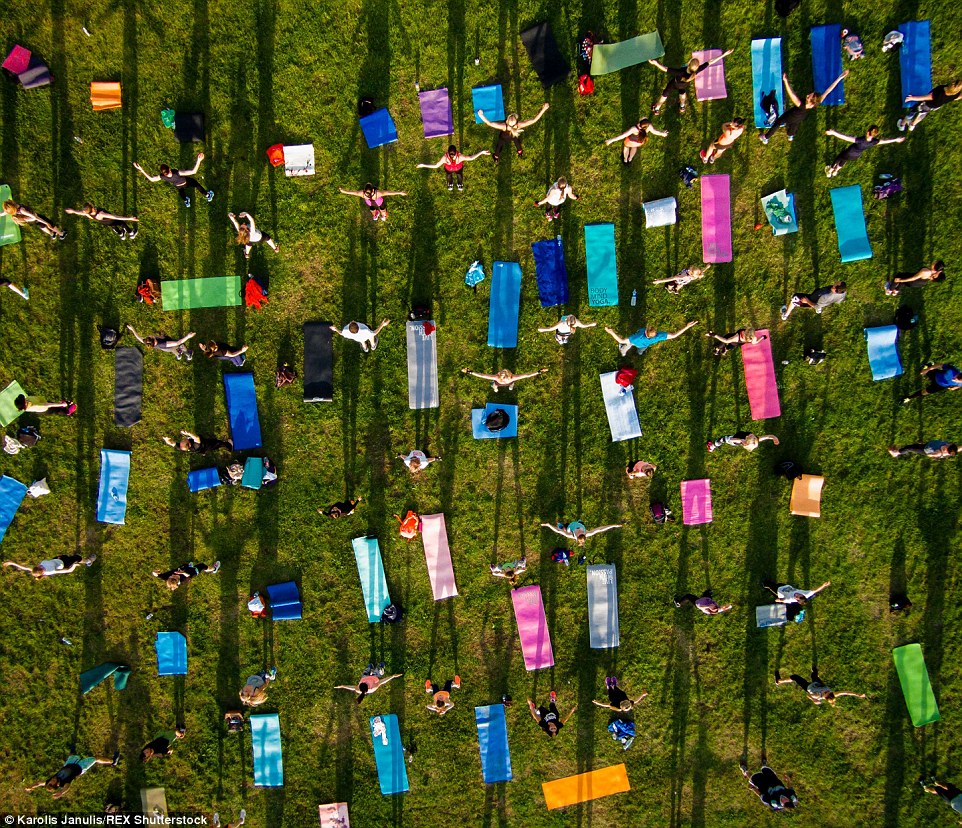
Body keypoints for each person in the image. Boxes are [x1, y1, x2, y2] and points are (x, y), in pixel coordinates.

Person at [759, 71, 848, 145]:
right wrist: (840, 77)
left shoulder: (801, 104)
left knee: (778, 122)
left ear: (811, 101)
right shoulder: (816, 103)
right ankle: (790, 135)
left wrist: (786, 81)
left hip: (791, 115)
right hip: (800, 117)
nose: (808, 95)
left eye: (810, 96)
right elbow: (828, 90)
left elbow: (792, 94)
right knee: (794, 125)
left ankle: (766, 138)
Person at [648, 50, 733, 115]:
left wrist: (655, 63)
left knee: (665, 93)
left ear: (689, 64)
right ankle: (682, 107)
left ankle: (657, 108)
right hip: (684, 85)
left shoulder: (681, 72)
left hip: (674, 83)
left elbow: (665, 69)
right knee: (682, 93)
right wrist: (724, 54)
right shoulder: (696, 71)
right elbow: (710, 62)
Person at [133, 152, 214, 207]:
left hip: (178, 185)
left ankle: (186, 201)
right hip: (186, 182)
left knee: (181, 192)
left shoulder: (162, 176)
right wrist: (198, 161)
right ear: (170, 168)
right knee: (196, 184)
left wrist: (141, 169)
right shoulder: (177, 173)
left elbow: (151, 179)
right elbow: (194, 171)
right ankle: (208, 195)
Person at [25, 752, 120, 798]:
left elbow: (38, 783)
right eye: (52, 782)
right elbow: (67, 787)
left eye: (49, 781)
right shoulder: (64, 783)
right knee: (96, 758)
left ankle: (73, 751)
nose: (51, 780)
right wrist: (61, 793)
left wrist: (30, 786)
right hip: (80, 767)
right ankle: (113, 761)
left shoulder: (51, 780)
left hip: (69, 764)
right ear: (57, 785)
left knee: (73, 755)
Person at [478, 103, 549, 162]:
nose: (512, 118)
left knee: (499, 147)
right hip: (513, 137)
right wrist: (543, 109)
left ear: (506, 121)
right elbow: (533, 120)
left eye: (511, 117)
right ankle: (519, 152)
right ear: (516, 121)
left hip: (503, 138)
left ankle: (496, 157)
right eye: (512, 117)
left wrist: (481, 115)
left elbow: (490, 123)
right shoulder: (519, 125)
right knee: (516, 145)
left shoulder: (503, 126)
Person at [824, 126, 905, 177]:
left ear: (868, 132)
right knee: (845, 161)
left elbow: (846, 137)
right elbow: (884, 141)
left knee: (839, 158)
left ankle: (830, 171)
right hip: (856, 156)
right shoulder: (874, 142)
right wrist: (895, 140)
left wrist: (833, 133)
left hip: (849, 152)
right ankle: (836, 171)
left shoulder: (861, 140)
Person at [774, 666, 867, 706]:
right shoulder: (833, 693)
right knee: (813, 675)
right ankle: (815, 673)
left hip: (809, 687)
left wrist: (814, 699)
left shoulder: (818, 696)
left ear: (825, 697)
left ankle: (778, 681)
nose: (827, 692)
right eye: (829, 692)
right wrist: (858, 695)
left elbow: (808, 695)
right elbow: (846, 692)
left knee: (795, 677)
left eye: (826, 694)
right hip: (817, 683)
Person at [603, 320, 698, 357]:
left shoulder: (637, 337)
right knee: (641, 350)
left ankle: (623, 352)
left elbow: (621, 340)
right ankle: (639, 353)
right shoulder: (658, 336)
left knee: (626, 345)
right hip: (645, 345)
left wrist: (611, 332)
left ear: (646, 333)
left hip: (635, 343)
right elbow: (674, 335)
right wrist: (687, 326)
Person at [416, 145, 490, 191]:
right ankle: (455, 184)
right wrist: (481, 152)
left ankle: (455, 184)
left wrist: (423, 165)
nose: (452, 156)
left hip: (453, 169)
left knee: (454, 176)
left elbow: (436, 166)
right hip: (454, 169)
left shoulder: (452, 157)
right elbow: (471, 158)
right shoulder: (454, 157)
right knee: (454, 176)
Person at [604, 118, 668, 164]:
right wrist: (662, 134)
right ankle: (630, 159)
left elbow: (623, 136)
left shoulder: (634, 129)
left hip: (630, 142)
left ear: (639, 125)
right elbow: (655, 132)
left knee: (626, 147)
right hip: (640, 142)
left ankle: (625, 159)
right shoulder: (649, 127)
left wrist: (611, 140)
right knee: (634, 148)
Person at [334, 663, 403, 704]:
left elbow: (352, 687)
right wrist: (392, 676)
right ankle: (381, 668)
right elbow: (382, 681)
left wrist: (343, 686)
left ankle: (370, 667)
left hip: (365, 677)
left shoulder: (358, 689)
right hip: (374, 677)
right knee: (379, 670)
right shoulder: (373, 688)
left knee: (366, 671)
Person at [64, 203, 139, 240]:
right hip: (110, 220)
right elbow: (115, 216)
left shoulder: (88, 214)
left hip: (104, 222)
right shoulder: (100, 213)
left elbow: (80, 212)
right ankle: (131, 233)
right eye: (90, 204)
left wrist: (73, 211)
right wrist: (130, 218)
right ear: (92, 208)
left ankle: (121, 235)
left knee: (113, 226)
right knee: (122, 223)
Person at [337, 184, 407, 222]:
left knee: (372, 210)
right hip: (379, 202)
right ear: (373, 190)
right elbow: (388, 193)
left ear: (364, 191)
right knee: (383, 210)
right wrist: (400, 193)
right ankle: (383, 216)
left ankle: (376, 214)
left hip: (370, 204)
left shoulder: (362, 194)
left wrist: (343, 191)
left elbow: (352, 192)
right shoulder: (378, 193)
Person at [126, 324, 196, 360]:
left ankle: (178, 355)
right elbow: (178, 342)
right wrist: (188, 336)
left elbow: (139, 338)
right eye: (150, 336)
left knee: (174, 351)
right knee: (181, 346)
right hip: (169, 346)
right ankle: (189, 355)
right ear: (153, 338)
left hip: (166, 349)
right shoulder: (162, 343)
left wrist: (132, 329)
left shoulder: (148, 342)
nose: (149, 335)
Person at [781, 282, 846, 320]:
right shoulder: (843, 292)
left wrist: (807, 301)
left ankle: (785, 315)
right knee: (820, 304)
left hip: (811, 300)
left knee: (794, 298)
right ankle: (819, 310)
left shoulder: (825, 296)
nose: (837, 281)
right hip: (820, 299)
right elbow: (839, 301)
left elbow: (816, 306)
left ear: (835, 288)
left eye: (838, 282)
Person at [4, 552, 96, 579]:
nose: (41, 566)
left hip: (58, 559)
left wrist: (11, 563)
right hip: (65, 564)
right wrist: (74, 566)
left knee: (66, 556)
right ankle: (88, 561)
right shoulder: (50, 571)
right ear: (43, 572)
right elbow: (67, 571)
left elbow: (24, 567)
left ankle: (76, 559)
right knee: (77, 558)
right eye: (41, 568)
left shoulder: (37, 568)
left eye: (40, 566)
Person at [461, 366, 548, 392]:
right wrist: (539, 372)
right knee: (512, 384)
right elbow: (526, 375)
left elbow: (483, 375)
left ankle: (496, 390)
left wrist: (470, 372)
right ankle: (510, 388)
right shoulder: (512, 377)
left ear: (499, 374)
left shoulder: (496, 378)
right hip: (509, 383)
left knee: (494, 386)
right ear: (509, 374)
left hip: (498, 383)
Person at [540, 520, 622, 546]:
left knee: (562, 529)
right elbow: (600, 529)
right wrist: (613, 525)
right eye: (582, 532)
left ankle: (563, 526)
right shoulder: (587, 533)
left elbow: (558, 531)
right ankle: (578, 522)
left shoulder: (570, 535)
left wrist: (548, 525)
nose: (580, 530)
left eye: (580, 532)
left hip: (570, 527)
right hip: (577, 523)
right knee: (580, 522)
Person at [152, 561, 220, 591]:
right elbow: (188, 576)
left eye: (170, 576)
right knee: (202, 566)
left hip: (185, 568)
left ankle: (188, 566)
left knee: (186, 565)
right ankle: (214, 569)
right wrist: (183, 572)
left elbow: (157, 575)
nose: (172, 575)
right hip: (193, 571)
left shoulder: (167, 577)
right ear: (177, 580)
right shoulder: (183, 580)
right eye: (174, 577)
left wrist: (155, 573)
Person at [763, 579, 831, 606]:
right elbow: (815, 590)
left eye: (797, 598)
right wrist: (824, 585)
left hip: (778, 591)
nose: (797, 597)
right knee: (777, 584)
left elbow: (781, 600)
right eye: (799, 596)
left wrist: (776, 600)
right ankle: (772, 583)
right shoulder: (806, 594)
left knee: (769, 585)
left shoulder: (790, 599)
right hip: (785, 586)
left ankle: (765, 585)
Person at [163, 430, 232, 453]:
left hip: (201, 448)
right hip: (207, 446)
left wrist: (167, 440)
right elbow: (196, 438)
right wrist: (188, 433)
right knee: (218, 443)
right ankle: (229, 446)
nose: (182, 440)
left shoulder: (181, 447)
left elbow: (172, 443)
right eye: (184, 440)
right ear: (189, 444)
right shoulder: (196, 446)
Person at [707, 432, 779, 453]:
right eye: (754, 437)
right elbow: (768, 436)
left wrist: (741, 440)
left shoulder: (741, 440)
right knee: (722, 439)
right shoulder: (756, 440)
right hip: (736, 438)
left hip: (729, 439)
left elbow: (731, 440)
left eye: (752, 437)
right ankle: (713, 446)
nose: (753, 435)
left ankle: (711, 447)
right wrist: (773, 437)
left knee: (720, 440)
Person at [888, 441, 958, 459]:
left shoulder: (939, 452)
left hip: (924, 450)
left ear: (947, 448)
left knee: (909, 448)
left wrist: (934, 454)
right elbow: (959, 448)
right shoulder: (948, 447)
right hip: (927, 445)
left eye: (949, 445)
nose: (948, 443)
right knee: (914, 445)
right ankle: (899, 451)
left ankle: (896, 453)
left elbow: (930, 455)